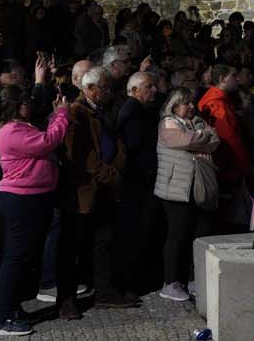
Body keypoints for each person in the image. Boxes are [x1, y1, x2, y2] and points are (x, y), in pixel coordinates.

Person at [0, 62, 70, 337]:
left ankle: (11, 307)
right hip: (21, 199)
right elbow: (47, 142)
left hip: (33, 196)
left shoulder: (19, 126)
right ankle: (2, 317)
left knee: (23, 256)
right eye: (26, 103)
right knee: (15, 256)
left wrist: (52, 109)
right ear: (17, 106)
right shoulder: (11, 131)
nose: (30, 107)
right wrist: (62, 115)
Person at [56, 66, 131, 317]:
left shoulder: (103, 111)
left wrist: (117, 165)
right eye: (105, 88)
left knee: (104, 241)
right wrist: (108, 173)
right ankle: (66, 299)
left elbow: (116, 143)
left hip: (105, 189)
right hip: (82, 190)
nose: (110, 93)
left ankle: (105, 291)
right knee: (72, 245)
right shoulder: (76, 112)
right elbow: (79, 154)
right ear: (89, 88)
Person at [155, 87, 220, 301]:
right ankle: (171, 282)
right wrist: (202, 137)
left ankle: (194, 279)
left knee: (200, 235)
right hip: (176, 190)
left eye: (192, 102)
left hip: (198, 188)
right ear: (174, 106)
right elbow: (184, 140)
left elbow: (215, 141)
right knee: (178, 235)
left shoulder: (198, 122)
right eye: (186, 103)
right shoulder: (167, 123)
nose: (192, 106)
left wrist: (199, 137)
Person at [114, 69, 164, 299]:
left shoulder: (141, 111)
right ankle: (131, 283)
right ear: (134, 90)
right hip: (137, 183)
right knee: (135, 233)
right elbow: (133, 150)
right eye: (148, 87)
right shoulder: (132, 113)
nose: (154, 90)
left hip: (142, 181)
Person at [197, 64, 254, 229]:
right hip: (226, 165)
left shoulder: (214, 100)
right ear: (222, 79)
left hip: (221, 163)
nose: (237, 80)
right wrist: (245, 166)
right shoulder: (219, 105)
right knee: (226, 213)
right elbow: (230, 139)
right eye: (233, 76)